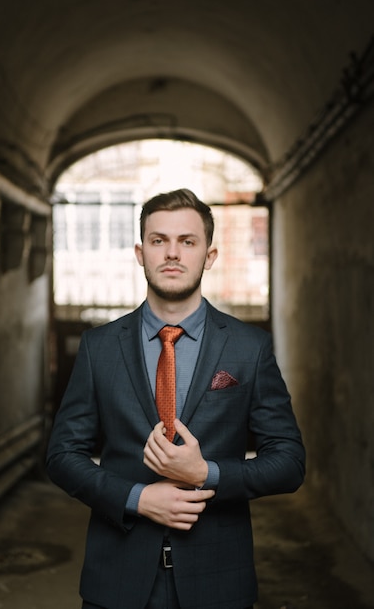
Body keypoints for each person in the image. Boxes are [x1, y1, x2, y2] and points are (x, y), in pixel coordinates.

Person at [46, 188, 305, 609]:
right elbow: (61, 455)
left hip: (219, 583)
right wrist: (136, 498)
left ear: (210, 255)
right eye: (158, 240)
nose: (172, 253)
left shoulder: (249, 348)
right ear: (139, 252)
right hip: (116, 583)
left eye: (187, 241)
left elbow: (290, 462)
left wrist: (208, 472)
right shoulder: (99, 347)